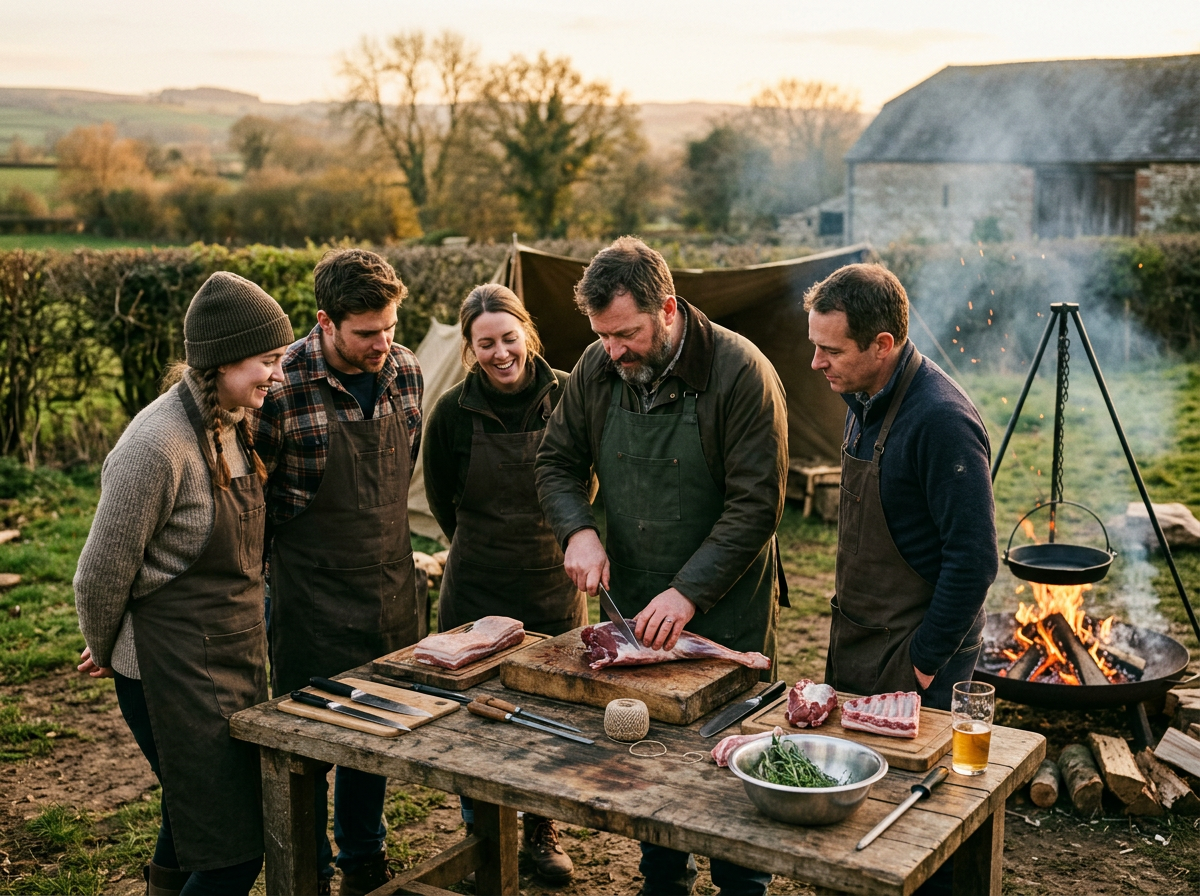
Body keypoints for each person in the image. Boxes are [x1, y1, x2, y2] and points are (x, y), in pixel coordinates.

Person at [535, 236, 788, 896]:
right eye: (603, 336)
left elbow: (756, 505)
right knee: (649, 759)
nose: (613, 351)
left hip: (725, 606)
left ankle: (742, 883)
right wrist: (580, 531)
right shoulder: (596, 368)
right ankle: (662, 879)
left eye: (627, 334)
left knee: (731, 762)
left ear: (668, 309)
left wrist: (690, 592)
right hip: (634, 606)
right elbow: (558, 463)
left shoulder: (740, 374)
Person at [75, 272, 293, 896]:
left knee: (191, 812)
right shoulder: (155, 446)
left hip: (230, 655)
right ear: (222, 359)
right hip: (169, 673)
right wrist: (111, 644)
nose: (277, 376)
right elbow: (98, 574)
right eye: (267, 362)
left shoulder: (230, 417)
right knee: (235, 851)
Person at [249, 248, 423, 896]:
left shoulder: (406, 372)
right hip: (308, 598)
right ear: (325, 321)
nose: (383, 344)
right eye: (366, 333)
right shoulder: (283, 385)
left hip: (387, 590)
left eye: (390, 327)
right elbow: (253, 506)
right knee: (307, 744)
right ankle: (309, 871)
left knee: (371, 737)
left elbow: (404, 471)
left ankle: (364, 861)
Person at [423, 283, 584, 882]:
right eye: (485, 343)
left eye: (508, 339)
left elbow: (587, 476)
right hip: (476, 586)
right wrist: (483, 543)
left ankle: (542, 832)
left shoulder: (570, 393)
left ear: (527, 335)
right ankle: (483, 836)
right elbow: (444, 500)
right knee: (476, 718)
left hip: (553, 584)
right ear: (469, 348)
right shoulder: (450, 413)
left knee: (553, 714)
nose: (500, 353)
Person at [805, 263, 997, 711]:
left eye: (830, 349)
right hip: (858, 635)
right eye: (815, 345)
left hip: (916, 654)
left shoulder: (942, 421)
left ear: (882, 346)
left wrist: (924, 662)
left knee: (916, 780)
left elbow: (974, 559)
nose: (816, 363)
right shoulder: (861, 396)